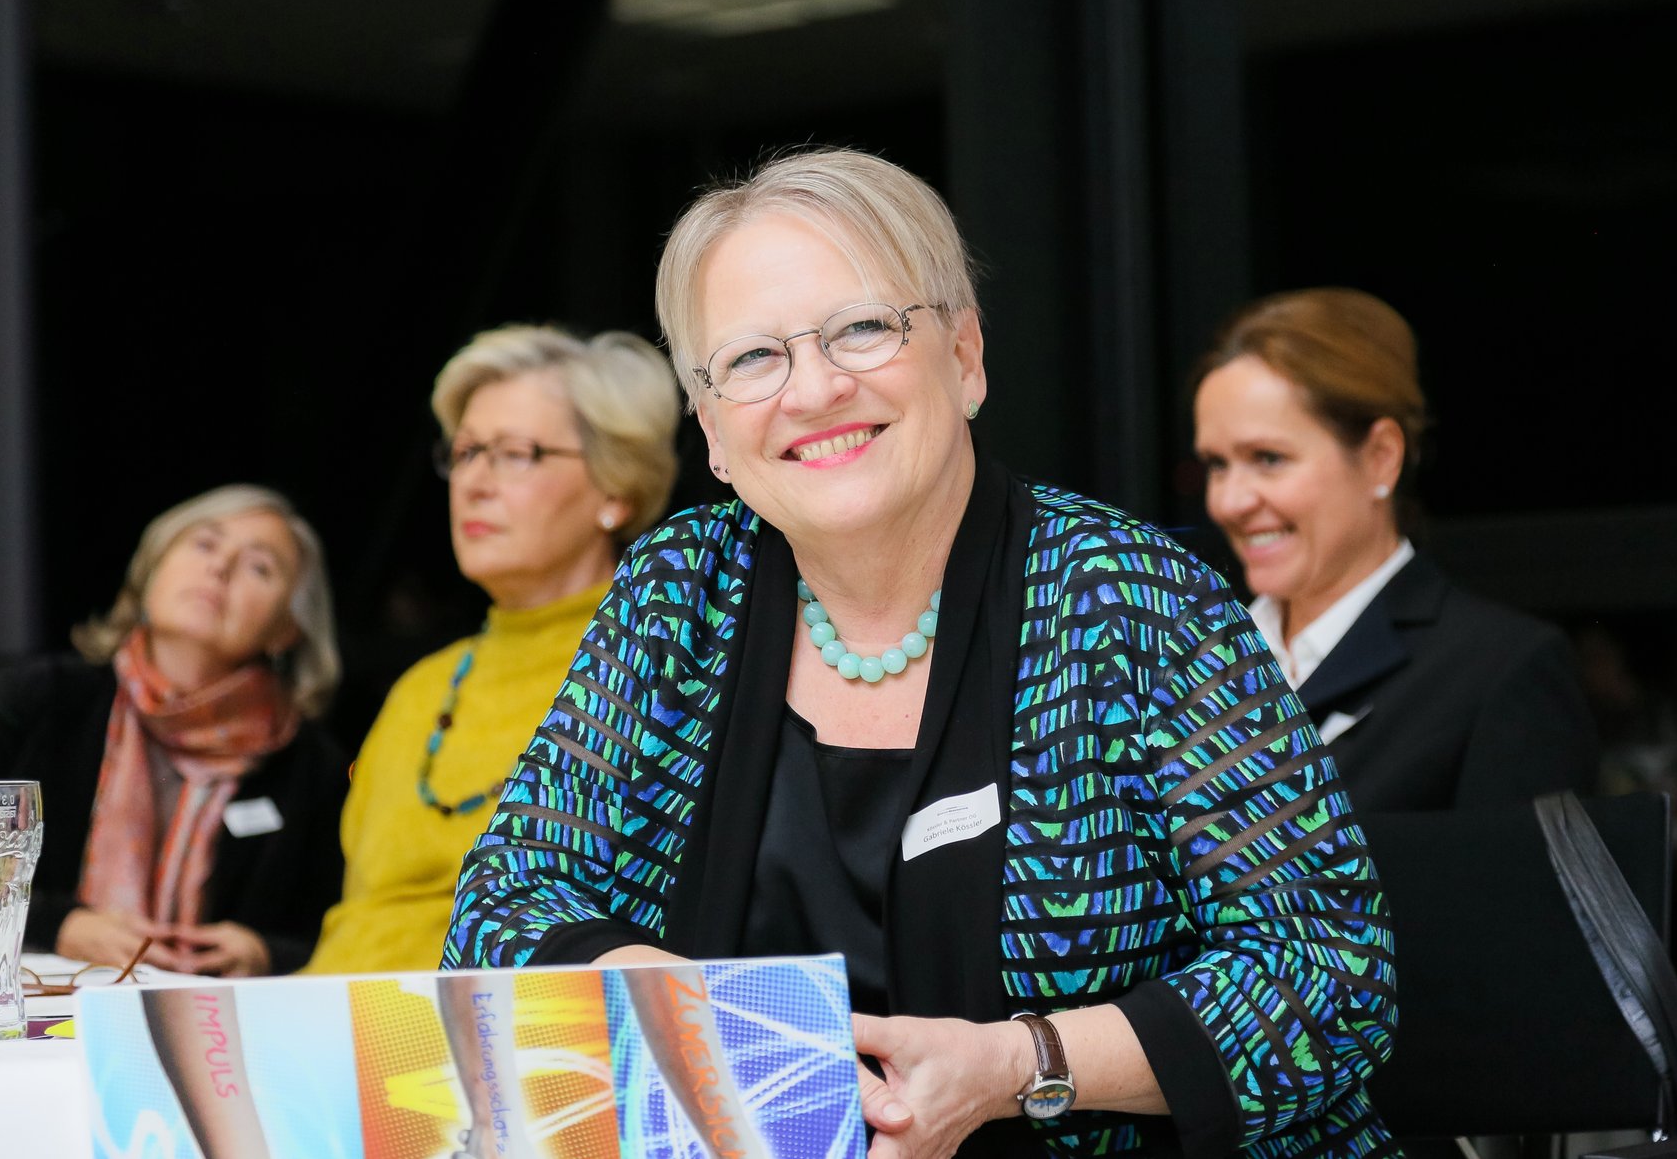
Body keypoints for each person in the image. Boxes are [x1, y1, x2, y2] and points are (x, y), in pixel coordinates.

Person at [443, 149, 1397, 1157]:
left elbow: (1328, 969)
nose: (815, 388)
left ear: (965, 355)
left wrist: (1023, 1063)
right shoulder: (677, 587)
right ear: (712, 429)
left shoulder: (1131, 595)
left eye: (862, 327)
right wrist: (696, 1020)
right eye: (753, 358)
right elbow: (503, 904)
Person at [303, 324, 680, 974]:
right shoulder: (421, 688)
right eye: (466, 451)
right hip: (328, 1018)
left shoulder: (662, 666)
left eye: (514, 453)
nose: (473, 481)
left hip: (507, 1028)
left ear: (616, 489)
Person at [1189, 287, 1599, 812]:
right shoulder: (1186, 666)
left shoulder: (1499, 671)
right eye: (1217, 465)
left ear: (1381, 457)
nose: (1229, 502)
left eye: (1268, 458)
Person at [1, 484, 347, 975]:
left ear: (286, 629)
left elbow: (340, 926)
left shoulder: (312, 766)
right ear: (151, 569)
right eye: (205, 544)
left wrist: (266, 953)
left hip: (211, 1015)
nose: (220, 568)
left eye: (259, 567)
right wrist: (59, 927)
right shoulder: (39, 699)